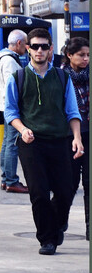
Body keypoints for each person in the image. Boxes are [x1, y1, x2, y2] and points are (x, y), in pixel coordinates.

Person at [4, 27, 83, 255]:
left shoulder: (62, 77)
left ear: (50, 50)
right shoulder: (18, 77)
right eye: (35, 46)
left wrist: (77, 138)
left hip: (60, 141)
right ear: (27, 48)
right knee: (39, 192)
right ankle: (46, 239)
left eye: (44, 46)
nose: (39, 50)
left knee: (66, 190)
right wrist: (23, 129)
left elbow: (72, 111)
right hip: (32, 143)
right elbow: (10, 112)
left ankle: (56, 225)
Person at [0, 29, 29, 194]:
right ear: (19, 43)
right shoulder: (9, 61)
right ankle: (11, 180)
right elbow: (12, 85)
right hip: (11, 106)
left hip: (3, 105)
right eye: (26, 43)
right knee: (12, 144)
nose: (27, 47)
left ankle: (6, 179)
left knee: (7, 143)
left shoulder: (3, 57)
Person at [62, 37, 90, 240]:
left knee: (89, 183)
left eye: (88, 55)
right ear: (69, 55)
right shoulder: (61, 77)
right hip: (67, 137)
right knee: (67, 184)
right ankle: (60, 223)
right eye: (81, 55)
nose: (86, 59)